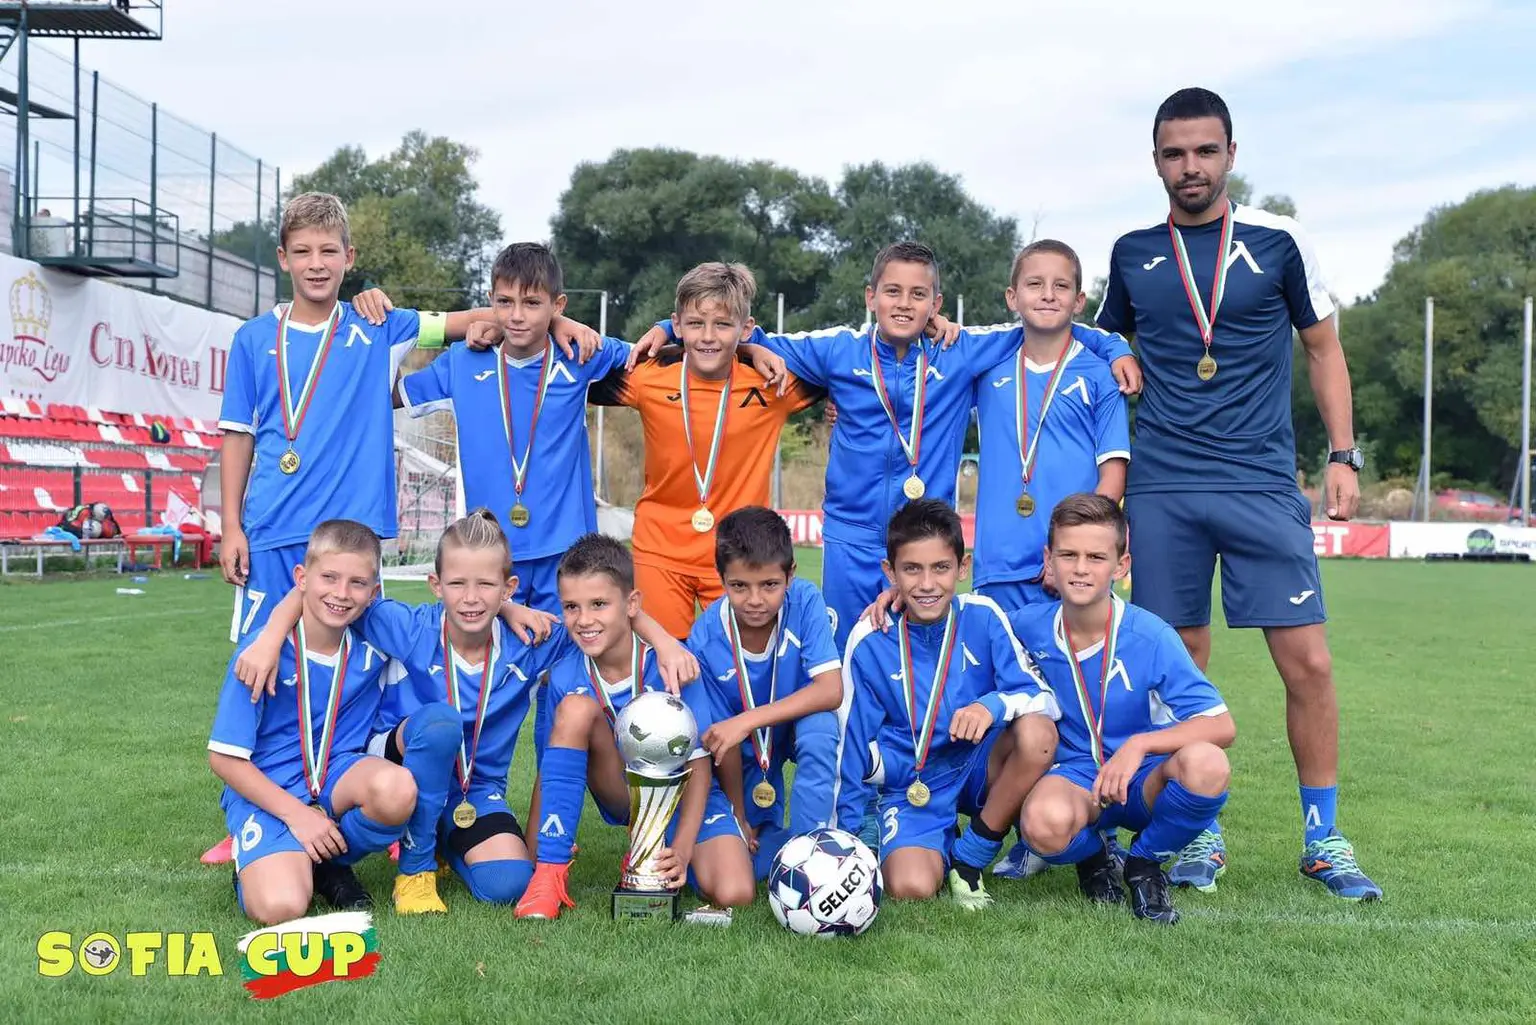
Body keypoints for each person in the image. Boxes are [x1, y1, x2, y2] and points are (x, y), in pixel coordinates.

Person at [1095, 86, 1379, 899]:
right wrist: (1112, 353)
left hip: (1260, 479)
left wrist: (1344, 454)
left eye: (1205, 150)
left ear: (1231, 154)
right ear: (1156, 161)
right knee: (1177, 661)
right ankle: (1197, 826)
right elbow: (1096, 340)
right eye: (1175, 153)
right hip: (1163, 484)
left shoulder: (1278, 241)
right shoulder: (1132, 252)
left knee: (1309, 662)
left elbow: (1323, 349)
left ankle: (1324, 838)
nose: (1191, 166)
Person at [640, 241, 1137, 653]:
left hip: (923, 541)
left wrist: (1114, 347)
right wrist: (667, 327)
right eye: (893, 291)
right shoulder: (838, 349)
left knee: (921, 657)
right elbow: (740, 332)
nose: (904, 303)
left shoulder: (961, 350)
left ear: (936, 305)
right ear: (870, 296)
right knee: (843, 656)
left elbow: (1048, 324)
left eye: (918, 294)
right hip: (850, 539)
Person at [232, 511, 696, 914]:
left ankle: (440, 841)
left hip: (475, 791)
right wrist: (270, 636)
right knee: (440, 724)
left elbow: (602, 615)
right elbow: (325, 594)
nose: (471, 598)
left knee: (507, 882)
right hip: (398, 769)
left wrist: (663, 641)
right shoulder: (408, 627)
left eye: (486, 586)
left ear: (507, 588)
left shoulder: (530, 640)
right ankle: (414, 869)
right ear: (436, 585)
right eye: (457, 584)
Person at [1011, 494, 1235, 924]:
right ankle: (1093, 856)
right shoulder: (1026, 626)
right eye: (1068, 555)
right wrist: (898, 598)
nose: (1080, 568)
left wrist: (1139, 745)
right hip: (1076, 777)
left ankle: (1144, 863)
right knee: (1040, 824)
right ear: (1049, 561)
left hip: (1143, 776)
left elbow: (1221, 724)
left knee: (1208, 764)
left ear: (1121, 565)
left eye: (1096, 557)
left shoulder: (1151, 635)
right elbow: (960, 623)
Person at [516, 534, 755, 920]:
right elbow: (551, 769)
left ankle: (653, 855)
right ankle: (553, 877)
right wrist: (540, 852)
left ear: (631, 604)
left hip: (686, 793)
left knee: (735, 892)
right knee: (575, 709)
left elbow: (698, 763)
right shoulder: (564, 675)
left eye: (599, 604)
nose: (584, 620)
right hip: (621, 792)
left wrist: (683, 849)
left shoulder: (673, 664)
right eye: (572, 607)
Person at [840, 499, 1060, 910]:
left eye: (941, 568)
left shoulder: (984, 615)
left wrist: (991, 706)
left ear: (963, 567)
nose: (927, 584)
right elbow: (850, 743)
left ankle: (971, 856)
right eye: (912, 569)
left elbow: (1042, 696)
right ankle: (933, 838)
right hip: (912, 781)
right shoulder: (869, 638)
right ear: (890, 573)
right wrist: (847, 835)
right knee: (910, 886)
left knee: (1038, 734)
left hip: (979, 766)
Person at [585, 263, 823, 639]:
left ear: (746, 328)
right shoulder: (647, 377)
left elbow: (846, 371)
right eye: (695, 324)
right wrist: (556, 323)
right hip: (660, 550)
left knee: (738, 667)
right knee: (660, 664)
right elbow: (566, 366)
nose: (708, 337)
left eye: (723, 325)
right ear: (677, 325)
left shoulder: (773, 382)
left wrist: (754, 349)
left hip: (741, 555)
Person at [389, 242, 619, 616]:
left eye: (532, 303)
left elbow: (657, 351)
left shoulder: (580, 354)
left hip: (566, 553)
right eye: (505, 302)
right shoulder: (462, 362)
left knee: (566, 651)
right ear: (491, 302)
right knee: (495, 653)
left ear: (558, 305)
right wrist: (381, 330)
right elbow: (390, 396)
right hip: (491, 556)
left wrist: (669, 329)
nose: (517, 316)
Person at [208, 519, 415, 924]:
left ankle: (328, 861)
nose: (342, 593)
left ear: (374, 592)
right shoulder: (260, 655)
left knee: (397, 789)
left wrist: (508, 606)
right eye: (329, 578)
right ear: (301, 578)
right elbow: (224, 758)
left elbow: (452, 616)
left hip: (337, 775)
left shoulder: (375, 645)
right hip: (270, 787)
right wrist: (298, 815)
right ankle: (265, 859)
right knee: (281, 906)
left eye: (357, 583)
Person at [688, 506, 848, 879]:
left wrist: (747, 720)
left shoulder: (805, 600)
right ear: (721, 579)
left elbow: (831, 690)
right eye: (739, 586)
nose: (755, 600)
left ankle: (810, 852)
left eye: (769, 585)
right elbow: (720, 738)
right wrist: (737, 815)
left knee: (821, 728)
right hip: (742, 753)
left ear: (790, 575)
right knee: (754, 859)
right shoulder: (705, 638)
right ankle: (766, 834)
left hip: (790, 726)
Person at [971, 240, 1130, 609]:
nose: (1047, 295)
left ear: (1079, 301)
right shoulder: (985, 368)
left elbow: (1113, 477)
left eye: (1061, 286)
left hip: (1073, 571)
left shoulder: (1101, 375)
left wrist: (1074, 552)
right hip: (998, 566)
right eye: (1034, 284)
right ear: (1012, 297)